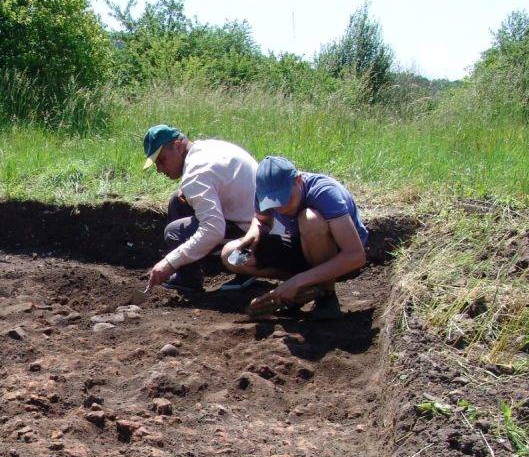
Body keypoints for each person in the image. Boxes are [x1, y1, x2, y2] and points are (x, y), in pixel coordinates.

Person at [221, 155, 368, 320]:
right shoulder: (265, 190)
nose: (281, 208)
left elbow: (356, 256)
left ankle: (326, 294)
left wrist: (298, 281)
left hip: (340, 259)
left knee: (310, 219)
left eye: (285, 199)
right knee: (230, 254)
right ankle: (306, 290)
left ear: (298, 180)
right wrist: (254, 232)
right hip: (301, 245)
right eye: (273, 202)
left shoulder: (325, 192)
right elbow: (262, 220)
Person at [142, 124, 259, 294]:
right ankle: (187, 277)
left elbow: (213, 230)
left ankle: (244, 266)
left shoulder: (195, 174)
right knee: (178, 201)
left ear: (178, 146)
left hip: (256, 235)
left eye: (162, 160)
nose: (159, 169)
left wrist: (170, 262)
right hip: (261, 219)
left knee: (174, 233)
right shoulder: (206, 148)